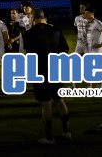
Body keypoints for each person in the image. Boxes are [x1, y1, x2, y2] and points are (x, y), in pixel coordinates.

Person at [23, 9, 71, 145]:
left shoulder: (29, 34)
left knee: (46, 104)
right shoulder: (56, 30)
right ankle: (67, 131)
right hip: (56, 70)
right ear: (45, 18)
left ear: (33, 19)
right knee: (60, 100)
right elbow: (65, 50)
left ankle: (49, 137)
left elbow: (29, 55)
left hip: (40, 72)